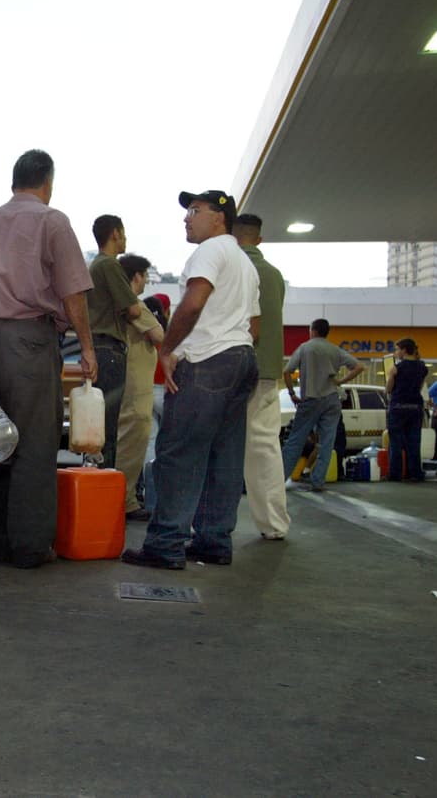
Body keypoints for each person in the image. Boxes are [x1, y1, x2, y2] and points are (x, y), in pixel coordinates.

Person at [0, 149, 97, 568]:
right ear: (47, 182)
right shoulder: (52, 220)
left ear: (14, 181)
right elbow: (72, 293)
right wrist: (86, 345)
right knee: (32, 444)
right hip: (31, 342)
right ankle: (27, 547)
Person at [122, 189, 259, 570]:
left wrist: (167, 349)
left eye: (195, 210)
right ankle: (214, 542)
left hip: (208, 360)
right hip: (241, 357)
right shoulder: (244, 263)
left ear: (219, 217)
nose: (187, 218)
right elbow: (256, 326)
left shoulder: (211, 250)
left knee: (178, 454)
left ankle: (165, 544)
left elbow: (194, 302)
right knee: (224, 458)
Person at [233, 213, 291, 540]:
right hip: (267, 369)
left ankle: (208, 524)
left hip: (231, 367)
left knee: (219, 446)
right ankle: (274, 524)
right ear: (259, 239)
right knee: (266, 446)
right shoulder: (274, 274)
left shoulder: (231, 269)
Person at [280, 319, 364, 492]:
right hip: (332, 400)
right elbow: (359, 366)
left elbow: (287, 371)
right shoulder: (335, 350)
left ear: (312, 331)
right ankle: (317, 482)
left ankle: (280, 479)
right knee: (326, 443)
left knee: (296, 440)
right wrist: (340, 381)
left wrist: (291, 393)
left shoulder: (305, 348)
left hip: (311, 399)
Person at [84, 216, 139, 468]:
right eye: (124, 232)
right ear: (115, 233)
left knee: (96, 426)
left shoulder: (95, 266)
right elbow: (134, 309)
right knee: (108, 427)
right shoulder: (110, 266)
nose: (125, 238)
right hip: (110, 350)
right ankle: (105, 489)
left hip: (98, 349)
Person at [115, 256, 163, 520]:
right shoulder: (134, 306)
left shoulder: (117, 304)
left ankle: (127, 499)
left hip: (130, 382)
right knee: (134, 438)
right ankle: (123, 500)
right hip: (136, 384)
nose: (145, 281)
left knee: (130, 439)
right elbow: (159, 336)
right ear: (136, 277)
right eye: (144, 275)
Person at [132, 292, 171, 517]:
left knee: (150, 446)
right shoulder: (168, 333)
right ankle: (164, 501)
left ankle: (149, 500)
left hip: (146, 391)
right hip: (166, 392)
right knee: (168, 446)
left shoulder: (141, 332)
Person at [385, 338, 428, 481]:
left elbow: (388, 388)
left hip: (398, 406)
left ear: (404, 350)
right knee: (414, 441)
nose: (396, 352)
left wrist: (390, 376)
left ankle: (395, 474)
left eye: (397, 349)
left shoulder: (397, 367)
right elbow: (420, 386)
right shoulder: (422, 367)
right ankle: (415, 473)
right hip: (415, 406)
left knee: (396, 442)